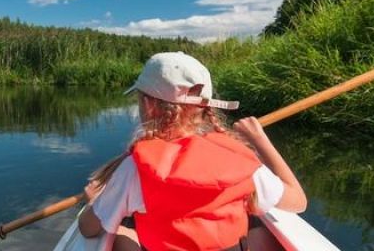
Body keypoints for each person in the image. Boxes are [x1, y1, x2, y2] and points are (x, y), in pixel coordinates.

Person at [78, 52, 307, 251]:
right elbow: (298, 202)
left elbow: (88, 229)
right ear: (205, 108)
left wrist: (93, 202)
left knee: (123, 228)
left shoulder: (134, 168)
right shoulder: (240, 159)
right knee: (257, 224)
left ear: (148, 104)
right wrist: (261, 140)